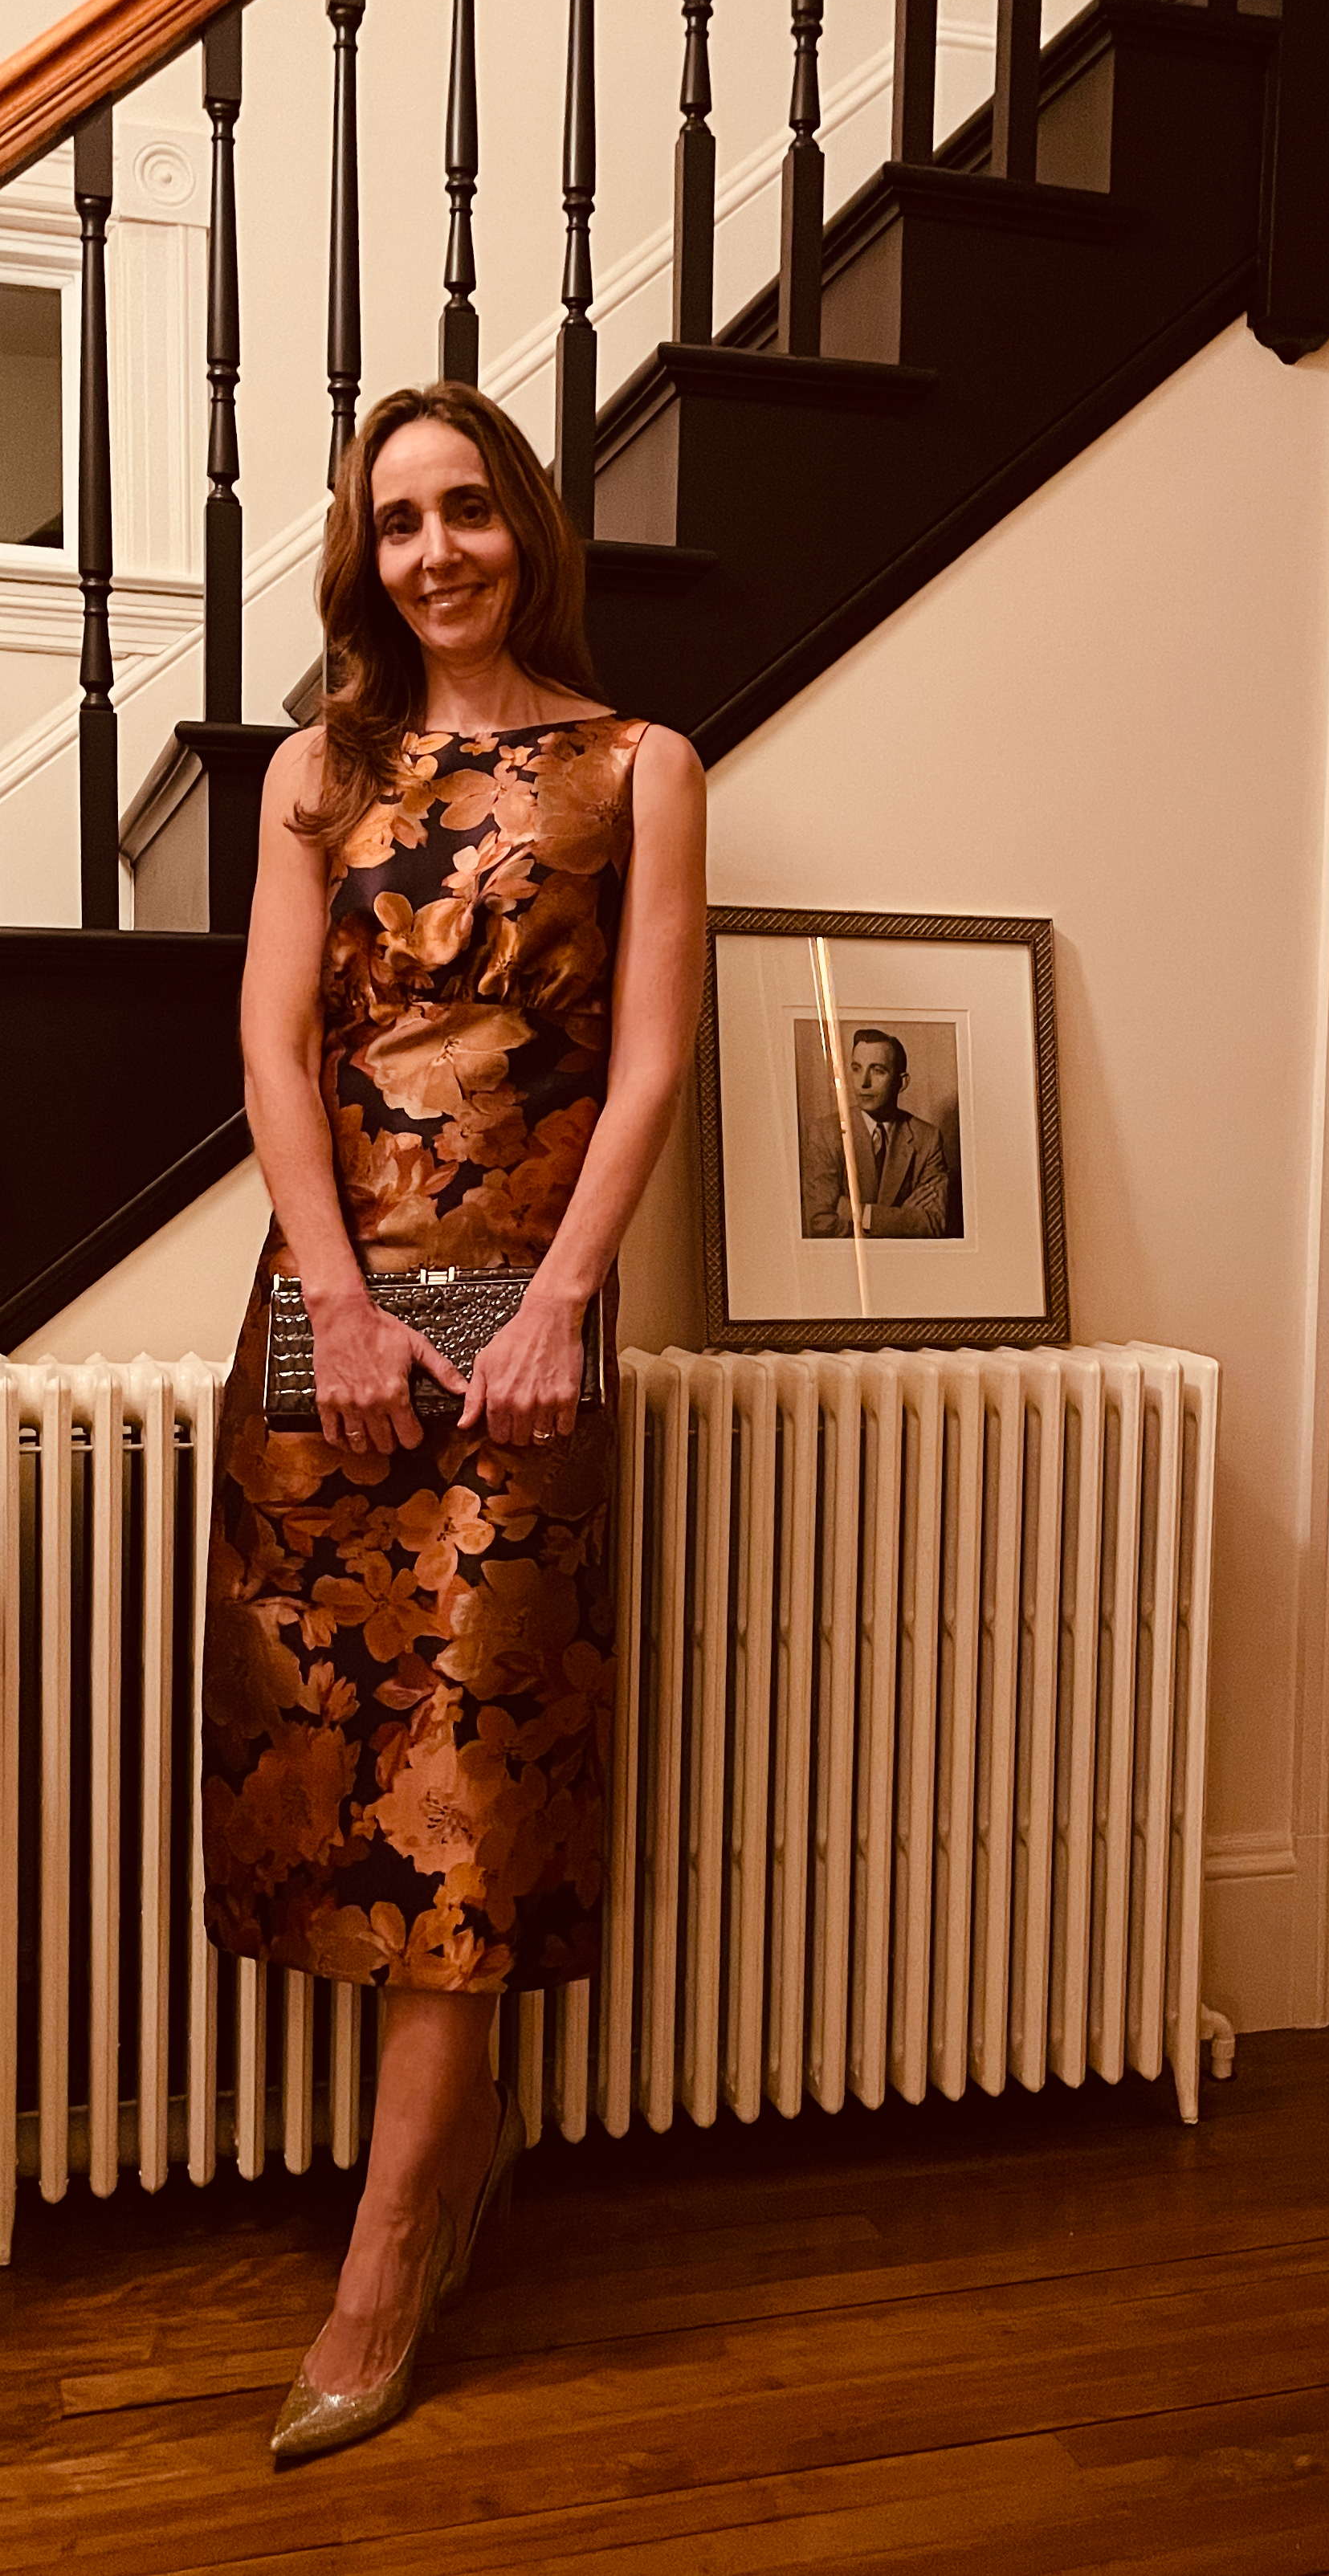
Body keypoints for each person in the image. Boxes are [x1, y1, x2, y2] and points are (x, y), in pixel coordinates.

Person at [198, 380, 705, 2463]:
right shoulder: (318, 771)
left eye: (466, 509)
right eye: (397, 520)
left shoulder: (640, 765)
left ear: (525, 529)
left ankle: (390, 2247)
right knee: (334, 1750)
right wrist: (333, 1291)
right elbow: (273, 1045)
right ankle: (463, 2137)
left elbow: (648, 1057)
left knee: (477, 1771)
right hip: (330, 1306)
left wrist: (560, 1301)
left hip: (527, 1317)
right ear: (366, 555)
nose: (434, 552)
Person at [800, 1028, 951, 1237]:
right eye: (856, 1069)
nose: (864, 1083)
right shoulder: (824, 1134)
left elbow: (934, 1224)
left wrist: (861, 1214)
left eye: (877, 1070)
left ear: (901, 1083)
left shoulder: (927, 1139)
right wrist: (902, 1217)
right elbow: (819, 1226)